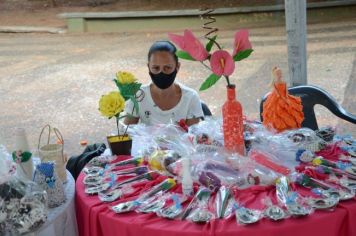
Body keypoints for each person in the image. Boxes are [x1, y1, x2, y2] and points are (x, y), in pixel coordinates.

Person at [124, 41, 204, 126]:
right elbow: (126, 133)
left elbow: (194, 135)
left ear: (177, 67)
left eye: (167, 67)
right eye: (155, 68)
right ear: (148, 67)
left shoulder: (190, 98)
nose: (161, 73)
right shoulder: (138, 96)